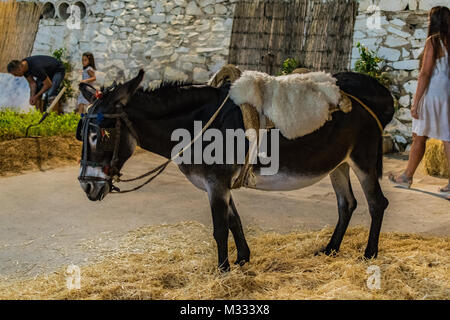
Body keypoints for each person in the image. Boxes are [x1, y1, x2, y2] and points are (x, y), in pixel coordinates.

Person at [389, 6, 450, 197]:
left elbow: (425, 73)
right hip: (447, 92)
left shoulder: (434, 41)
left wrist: (415, 103)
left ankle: (407, 177)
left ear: (434, 21)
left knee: (419, 134)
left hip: (433, 93)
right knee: (447, 138)